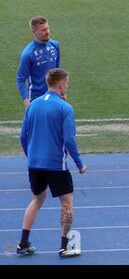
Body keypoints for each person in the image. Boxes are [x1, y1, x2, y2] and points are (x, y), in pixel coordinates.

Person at [17, 68, 87, 258]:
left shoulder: (32, 105)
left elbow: (23, 135)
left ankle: (23, 243)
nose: (68, 85)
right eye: (67, 82)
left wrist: (30, 156)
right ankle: (65, 247)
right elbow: (69, 140)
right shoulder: (65, 108)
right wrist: (79, 164)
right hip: (56, 165)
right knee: (67, 204)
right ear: (61, 84)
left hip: (34, 163)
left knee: (37, 200)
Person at [16, 16, 61, 108]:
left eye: (47, 28)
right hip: (36, 99)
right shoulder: (28, 54)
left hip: (53, 96)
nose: (47, 32)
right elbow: (20, 79)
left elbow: (57, 72)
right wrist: (26, 101)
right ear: (34, 32)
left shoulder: (55, 45)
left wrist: (61, 91)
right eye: (43, 30)